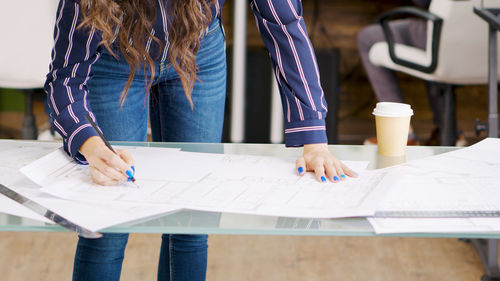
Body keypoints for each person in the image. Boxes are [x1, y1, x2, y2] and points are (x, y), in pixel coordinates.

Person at [44, 0, 357, 280]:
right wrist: (90, 143)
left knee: (191, 222)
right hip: (115, 56)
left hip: (198, 50)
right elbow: (64, 78)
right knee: (107, 225)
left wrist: (314, 140)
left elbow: (284, 24)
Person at [357, 0, 466, 146]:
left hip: (441, 33)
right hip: (486, 39)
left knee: (367, 38)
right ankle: (449, 132)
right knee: (435, 50)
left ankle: (402, 133)